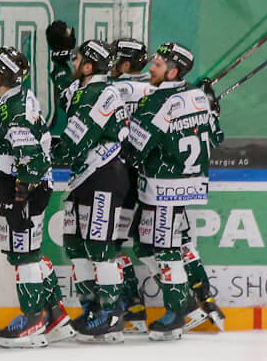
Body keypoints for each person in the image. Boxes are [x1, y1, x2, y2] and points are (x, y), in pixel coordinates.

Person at [0, 46, 72, 348]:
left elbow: (31, 157)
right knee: (27, 253)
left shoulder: (16, 111)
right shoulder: (13, 100)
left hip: (23, 187)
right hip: (20, 184)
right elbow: (5, 132)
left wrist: (20, 195)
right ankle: (55, 316)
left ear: (2, 75)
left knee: (24, 255)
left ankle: (33, 319)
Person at [123, 43, 225, 339]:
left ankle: (178, 312)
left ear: (173, 71)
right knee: (145, 246)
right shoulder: (196, 96)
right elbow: (217, 136)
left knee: (165, 250)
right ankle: (190, 302)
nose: (151, 68)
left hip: (164, 189)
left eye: (157, 65)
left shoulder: (156, 102)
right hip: (182, 186)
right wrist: (211, 106)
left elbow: (134, 149)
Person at [50, 38, 131, 340]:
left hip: (103, 175)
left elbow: (74, 142)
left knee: (99, 247)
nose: (74, 63)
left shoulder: (99, 95)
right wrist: (58, 61)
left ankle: (112, 314)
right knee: (74, 244)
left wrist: (39, 154)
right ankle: (92, 310)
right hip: (85, 177)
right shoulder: (87, 89)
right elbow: (65, 94)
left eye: (77, 59)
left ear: (88, 67)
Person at [105, 36, 153, 333]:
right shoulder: (157, 88)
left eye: (113, 59)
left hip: (121, 178)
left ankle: (132, 307)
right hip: (148, 180)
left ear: (124, 64)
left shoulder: (112, 90)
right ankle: (186, 302)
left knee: (109, 244)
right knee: (150, 244)